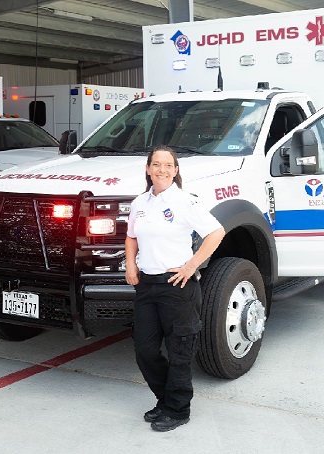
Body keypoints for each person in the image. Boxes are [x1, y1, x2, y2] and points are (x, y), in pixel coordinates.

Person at [125, 145, 225, 432]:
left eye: (168, 165)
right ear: (148, 168)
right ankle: (165, 399)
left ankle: (178, 409)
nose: (162, 169)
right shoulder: (139, 203)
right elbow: (131, 237)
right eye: (156, 164)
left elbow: (216, 232)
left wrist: (191, 265)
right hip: (147, 285)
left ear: (176, 170)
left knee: (180, 350)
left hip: (176, 286)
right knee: (145, 350)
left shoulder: (184, 201)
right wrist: (131, 266)